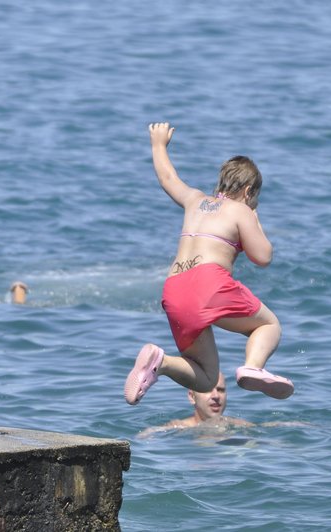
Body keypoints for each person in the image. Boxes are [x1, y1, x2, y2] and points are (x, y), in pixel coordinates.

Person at [124, 122, 293, 407]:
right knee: (269, 326)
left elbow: (167, 177)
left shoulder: (194, 199)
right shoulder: (242, 210)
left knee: (206, 378)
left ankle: (160, 362)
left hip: (174, 289)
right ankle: (252, 366)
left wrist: (158, 145)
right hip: (209, 283)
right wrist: (254, 217)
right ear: (249, 191)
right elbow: (263, 257)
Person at [136, 373, 252, 438]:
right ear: (192, 397)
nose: (216, 396)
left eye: (221, 390)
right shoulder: (178, 427)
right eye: (207, 390)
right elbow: (144, 436)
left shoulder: (239, 425)